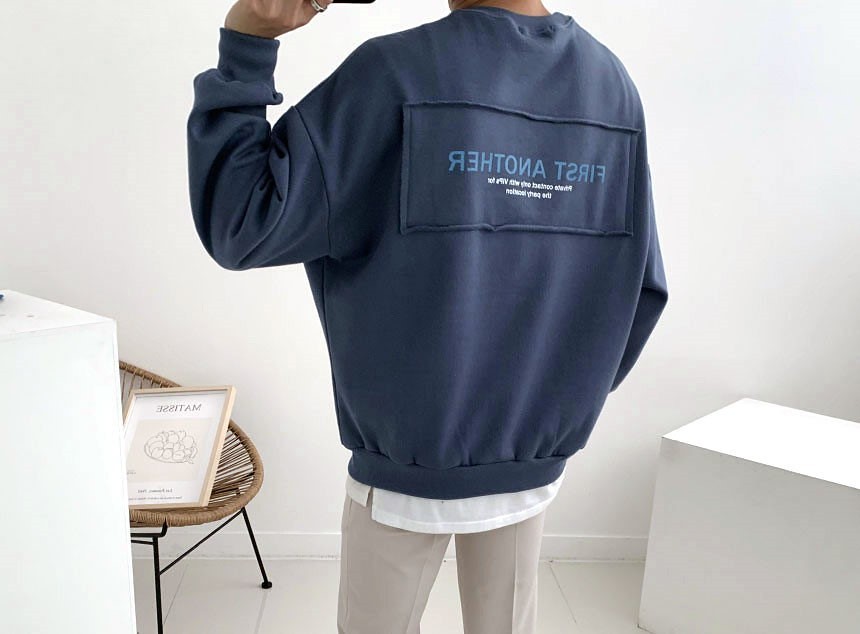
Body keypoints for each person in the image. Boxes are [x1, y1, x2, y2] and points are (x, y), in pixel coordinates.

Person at [186, 0, 669, 632]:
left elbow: (242, 222)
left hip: (404, 473)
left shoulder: (393, 74)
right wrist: (552, 396)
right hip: (531, 465)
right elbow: (642, 288)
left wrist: (248, 41)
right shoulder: (611, 87)